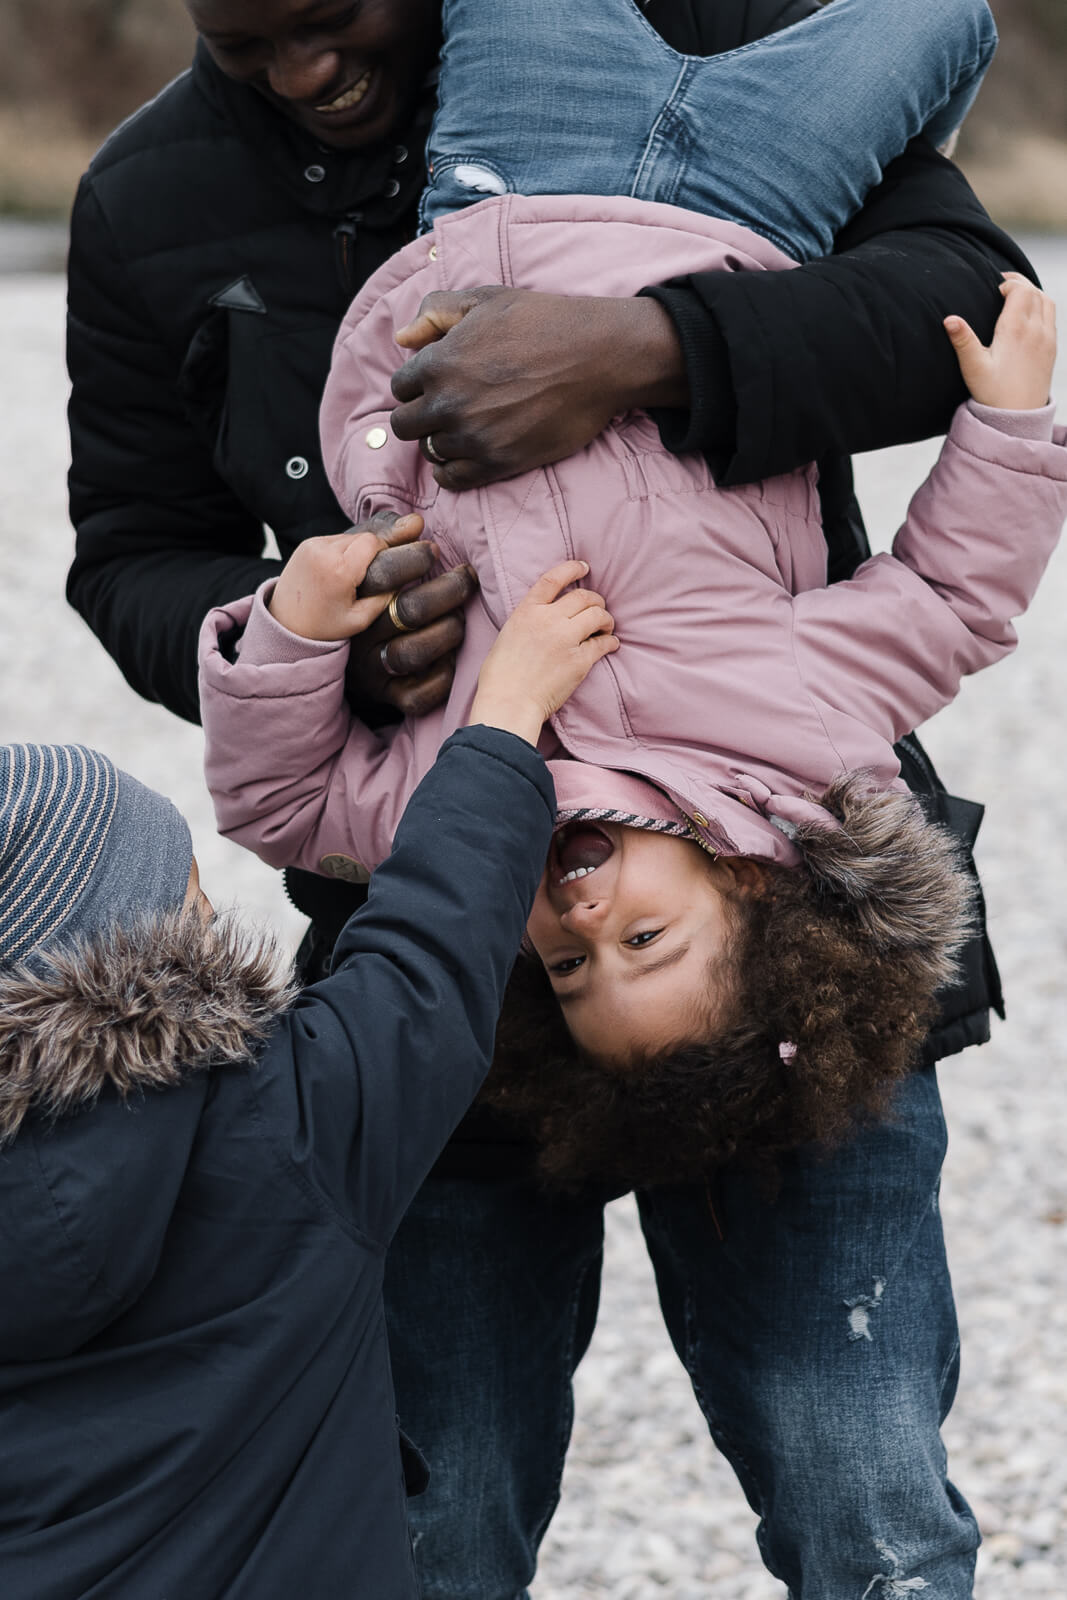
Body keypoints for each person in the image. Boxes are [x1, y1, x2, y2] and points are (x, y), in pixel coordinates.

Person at [60, 0, 1035, 1592]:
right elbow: (130, 558)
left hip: (777, 928)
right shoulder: (145, 201)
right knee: (428, 1510)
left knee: (858, 1489)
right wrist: (321, 644)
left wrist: (648, 348)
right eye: (249, 45)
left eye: (330, 19)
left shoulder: (638, 34)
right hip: (435, 963)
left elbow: (960, 299)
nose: (309, 74)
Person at [0, 563, 612, 1599]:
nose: (205, 919)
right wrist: (505, 711)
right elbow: (430, 946)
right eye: (186, 897)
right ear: (135, 941)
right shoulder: (288, 1119)